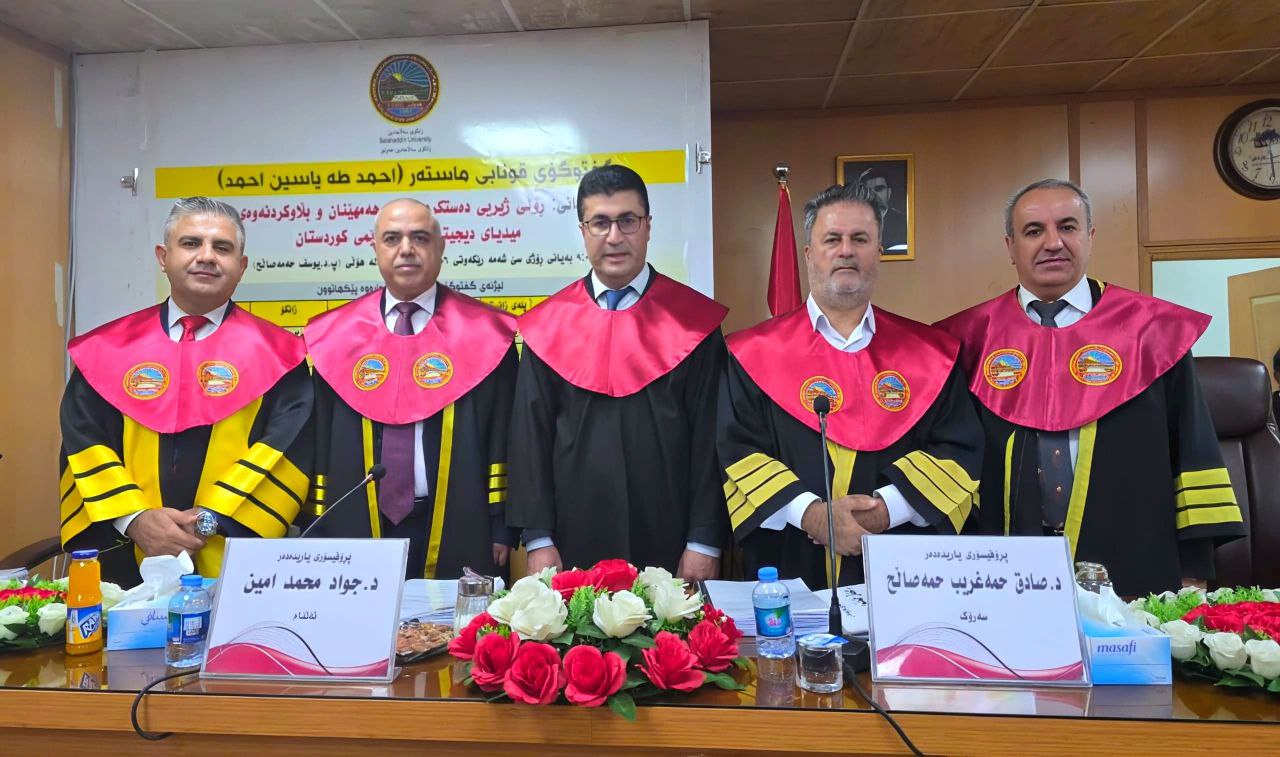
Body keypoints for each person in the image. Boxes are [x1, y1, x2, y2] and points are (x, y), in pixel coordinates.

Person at [935, 179, 1245, 596]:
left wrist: (1193, 570)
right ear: (1010, 246)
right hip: (1002, 571)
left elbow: (1193, 451)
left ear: (1090, 236)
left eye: (1067, 226)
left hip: (1132, 562)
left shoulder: (1152, 333)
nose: (1053, 243)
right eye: (1033, 231)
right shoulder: (968, 340)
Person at [718, 183, 983, 588]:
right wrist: (812, 515)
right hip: (790, 563)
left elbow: (958, 451)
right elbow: (738, 451)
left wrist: (883, 511)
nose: (846, 251)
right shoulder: (752, 353)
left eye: (860, 239)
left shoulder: (930, 354)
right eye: (832, 239)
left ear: (879, 253)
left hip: (904, 570)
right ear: (809, 253)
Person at [58, 197, 312, 585]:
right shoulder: (107, 350)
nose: (206, 256)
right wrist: (135, 519)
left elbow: (288, 446)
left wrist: (209, 521)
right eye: (191, 243)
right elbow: (84, 441)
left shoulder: (281, 355)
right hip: (126, 551)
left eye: (222, 247)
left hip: (234, 552)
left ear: (241, 266)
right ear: (163, 257)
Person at [507, 165, 729, 580]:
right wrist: (538, 539)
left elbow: (710, 441)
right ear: (582, 230)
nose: (614, 236)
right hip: (571, 538)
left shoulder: (693, 323)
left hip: (671, 535)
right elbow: (530, 438)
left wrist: (704, 540)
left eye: (628, 220)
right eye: (600, 222)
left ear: (648, 227)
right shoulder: (547, 326)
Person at [304, 199, 518, 580]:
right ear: (375, 249)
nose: (406, 249)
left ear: (441, 247)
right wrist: (318, 519)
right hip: (355, 521)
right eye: (392, 238)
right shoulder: (335, 336)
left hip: (461, 521)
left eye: (420, 237)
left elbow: (506, 435)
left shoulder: (486, 333)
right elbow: (319, 442)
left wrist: (501, 525)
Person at [856, 166, 908, 253]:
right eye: (868, 191)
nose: (874, 195)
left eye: (879, 189)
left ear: (889, 192)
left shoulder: (904, 223)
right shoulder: (851, 225)